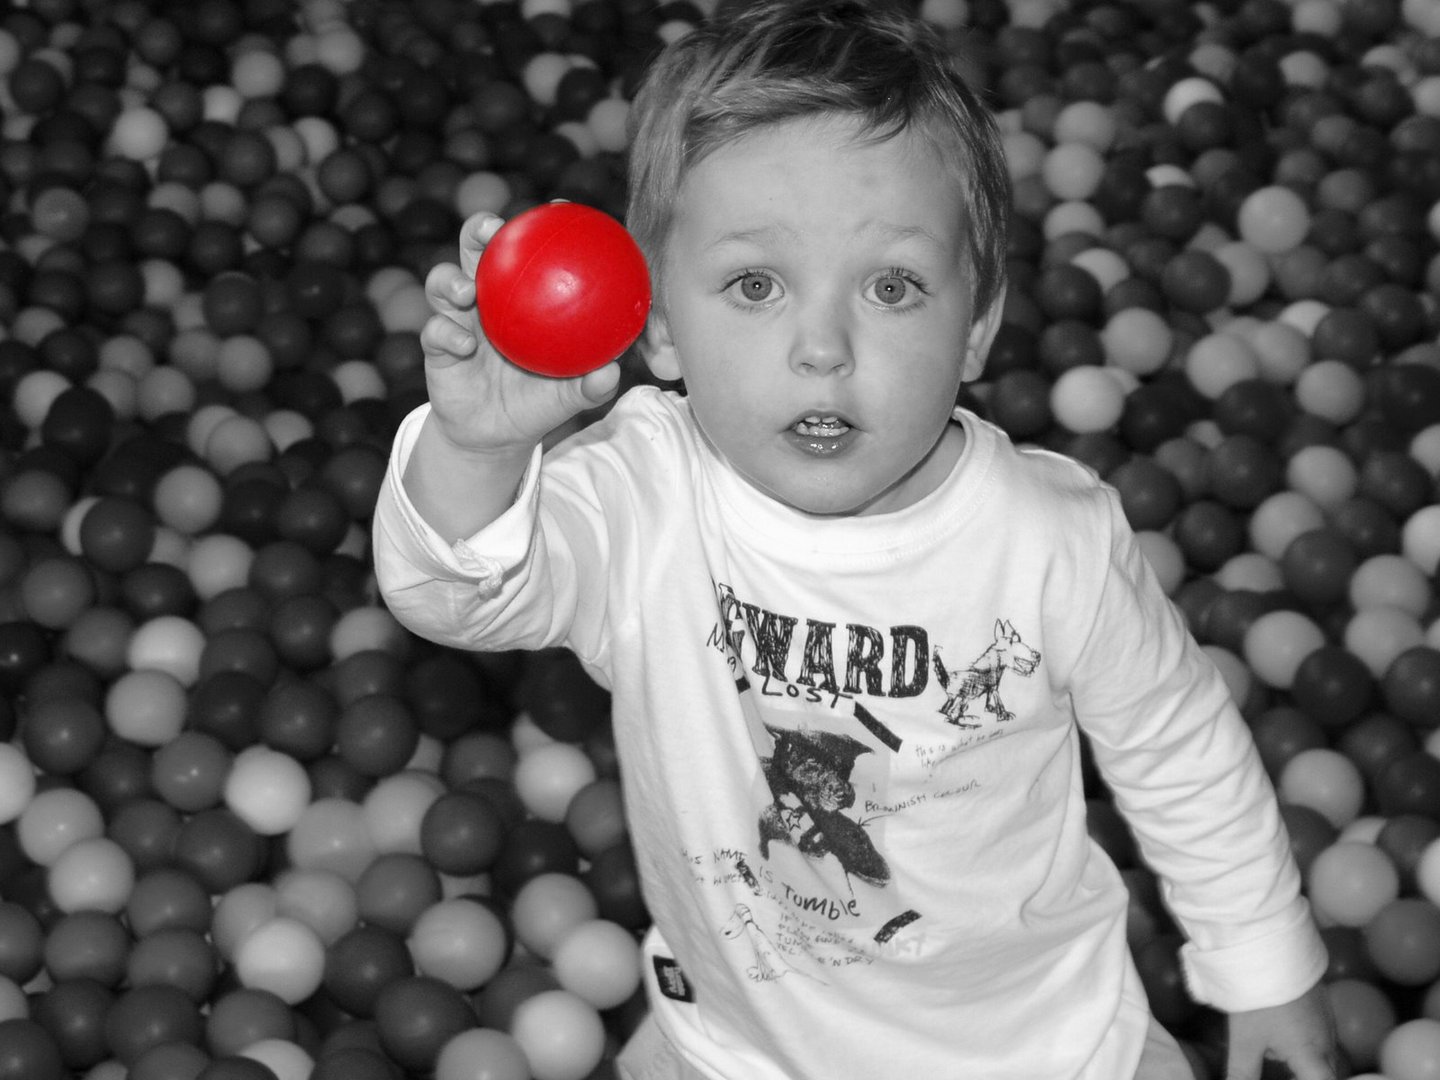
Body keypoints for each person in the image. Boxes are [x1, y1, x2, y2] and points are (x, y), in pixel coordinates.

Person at [373, 2, 1338, 1077]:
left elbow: (1179, 745)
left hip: (1042, 1045)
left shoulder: (1046, 540)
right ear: (656, 321)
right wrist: (476, 448)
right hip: (737, 1046)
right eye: (754, 285)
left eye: (891, 287)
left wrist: (1265, 971)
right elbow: (455, 594)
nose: (822, 347)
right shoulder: (646, 495)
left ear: (976, 324)